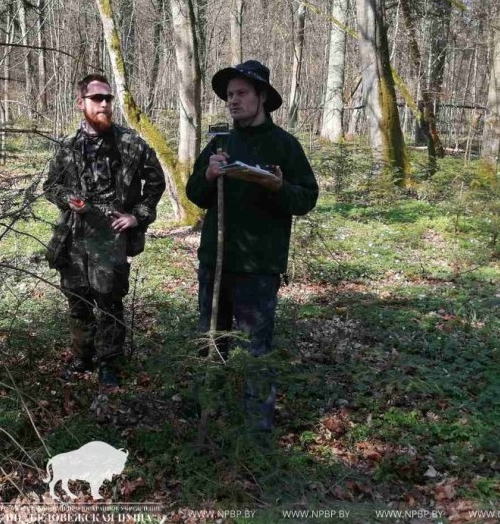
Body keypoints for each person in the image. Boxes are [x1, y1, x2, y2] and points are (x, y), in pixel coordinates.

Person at [185, 60, 318, 431]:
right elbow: (195, 193)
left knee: (254, 350)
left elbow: (306, 198)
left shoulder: (284, 146)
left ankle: (256, 431)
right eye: (229, 94)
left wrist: (278, 187)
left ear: (262, 96)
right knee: (211, 343)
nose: (233, 100)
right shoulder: (220, 143)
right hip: (216, 262)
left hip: (258, 269)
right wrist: (209, 175)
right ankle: (208, 416)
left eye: (242, 93)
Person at [43, 74, 166, 387]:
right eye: (97, 98)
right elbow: (51, 186)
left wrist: (137, 216)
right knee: (77, 300)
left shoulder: (130, 143)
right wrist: (67, 199)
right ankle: (83, 357)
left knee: (109, 302)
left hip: (110, 234)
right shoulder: (67, 146)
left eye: (108, 98)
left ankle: (109, 363)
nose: (104, 104)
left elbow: (156, 182)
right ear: (80, 103)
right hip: (73, 233)